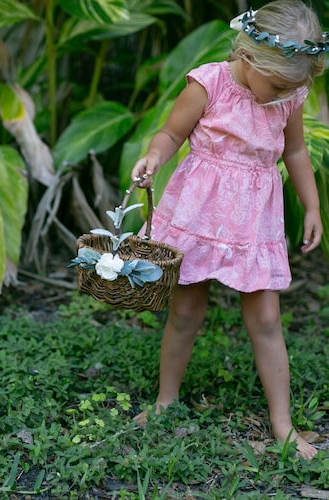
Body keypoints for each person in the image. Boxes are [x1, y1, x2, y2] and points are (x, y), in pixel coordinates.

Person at [131, 0, 326, 460]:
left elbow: (295, 151)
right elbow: (171, 135)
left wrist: (312, 204)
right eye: (277, 85)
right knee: (185, 310)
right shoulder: (209, 84)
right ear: (251, 57)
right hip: (199, 214)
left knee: (266, 319)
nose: (281, 95)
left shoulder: (288, 95)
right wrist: (155, 157)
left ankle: (282, 424)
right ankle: (166, 400)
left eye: (290, 89)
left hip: (254, 221)